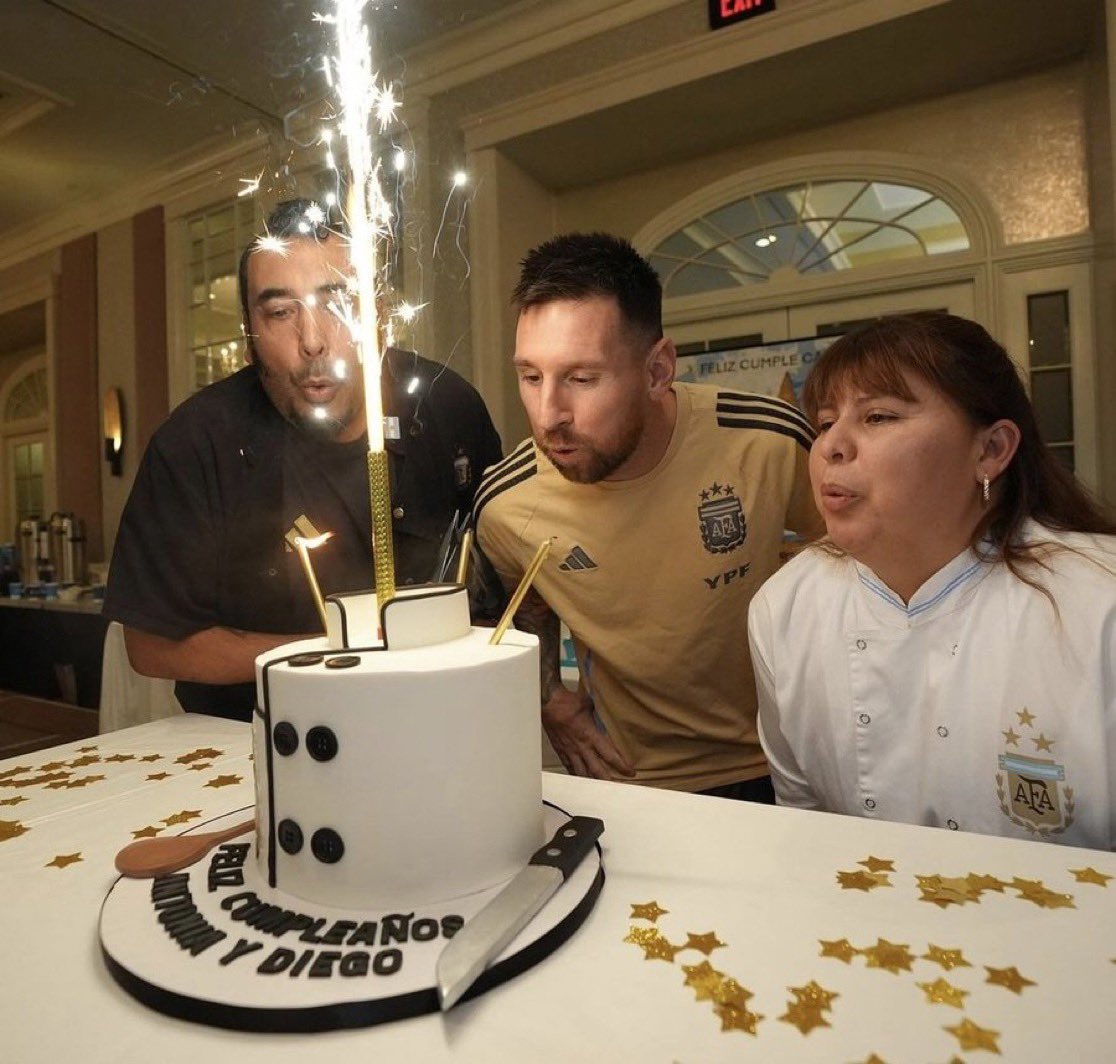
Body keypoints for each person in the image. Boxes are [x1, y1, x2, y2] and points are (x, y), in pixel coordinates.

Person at [105, 199, 502, 720]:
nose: (313, 341)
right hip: (255, 744)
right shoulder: (196, 444)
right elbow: (151, 647)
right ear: (250, 330)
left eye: (338, 304)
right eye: (280, 312)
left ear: (378, 312)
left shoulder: (446, 404)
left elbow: (506, 574)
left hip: (442, 722)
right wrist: (339, 651)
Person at [749, 311, 1116, 848]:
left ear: (990, 450)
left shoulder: (1098, 602)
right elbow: (804, 817)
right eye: (826, 422)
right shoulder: (785, 606)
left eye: (878, 417)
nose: (831, 446)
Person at [474, 232, 822, 797]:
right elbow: (519, 610)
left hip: (789, 762)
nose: (548, 415)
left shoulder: (768, 440)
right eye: (531, 376)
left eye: (582, 378)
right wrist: (552, 703)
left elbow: (859, 561)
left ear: (658, 369)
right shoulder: (507, 504)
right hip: (631, 779)